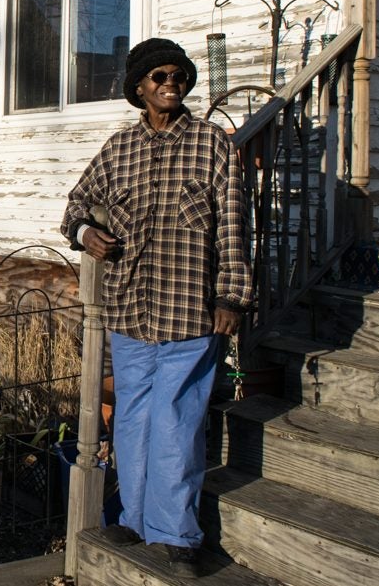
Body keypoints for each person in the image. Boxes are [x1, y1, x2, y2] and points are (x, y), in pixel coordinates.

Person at [60, 37, 253, 579]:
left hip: (191, 308)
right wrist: (86, 232)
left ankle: (177, 533)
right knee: (132, 416)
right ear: (139, 88)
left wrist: (231, 295)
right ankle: (135, 518)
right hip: (128, 307)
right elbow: (74, 204)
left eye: (179, 76)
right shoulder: (118, 150)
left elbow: (235, 227)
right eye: (159, 77)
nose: (171, 85)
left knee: (177, 419)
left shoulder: (213, 145)